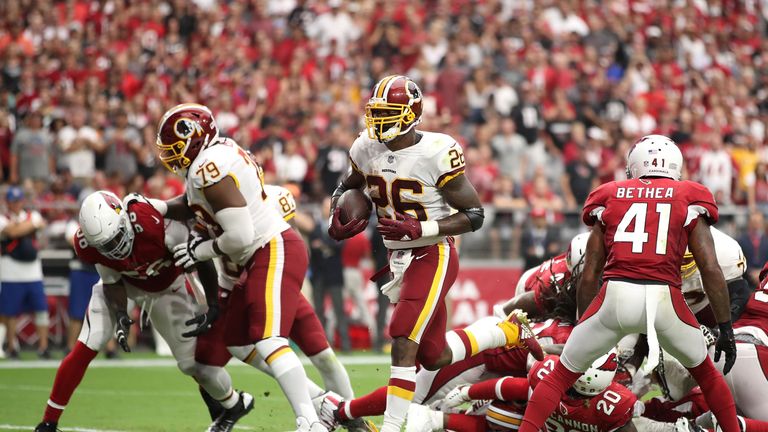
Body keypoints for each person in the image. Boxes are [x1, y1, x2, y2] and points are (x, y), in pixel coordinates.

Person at [326, 75, 543, 432]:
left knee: (402, 340)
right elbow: (346, 187)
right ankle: (502, 332)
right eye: (377, 112)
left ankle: (393, 427)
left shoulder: (436, 151)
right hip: (397, 259)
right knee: (434, 355)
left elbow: (475, 215)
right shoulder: (365, 146)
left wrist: (422, 228)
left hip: (433, 252)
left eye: (389, 112)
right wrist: (338, 213)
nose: (379, 121)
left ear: (410, 114)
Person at [517, 134, 740, 432]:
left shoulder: (609, 193)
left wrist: (584, 322)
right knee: (707, 375)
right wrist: (725, 326)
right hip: (666, 299)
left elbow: (591, 271)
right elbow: (710, 268)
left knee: (560, 376)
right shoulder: (690, 194)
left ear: (634, 165)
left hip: (617, 295)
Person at [155, 103, 326, 432]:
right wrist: (160, 206)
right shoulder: (212, 158)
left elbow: (240, 235)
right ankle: (325, 404)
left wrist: (202, 250)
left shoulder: (209, 168)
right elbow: (194, 208)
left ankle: (311, 421)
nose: (172, 159)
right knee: (236, 339)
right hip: (254, 254)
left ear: (194, 139)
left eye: (175, 149)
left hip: (268, 246)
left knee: (269, 339)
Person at [35, 191, 254, 432]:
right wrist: (120, 315)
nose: (114, 248)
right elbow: (111, 280)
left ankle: (231, 404)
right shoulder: (88, 245)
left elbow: (198, 256)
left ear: (123, 220)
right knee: (87, 345)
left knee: (192, 364)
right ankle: (48, 422)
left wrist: (212, 303)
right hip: (125, 285)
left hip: (166, 288)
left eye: (115, 238)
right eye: (105, 245)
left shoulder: (153, 222)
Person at [409, 351, 637, 432]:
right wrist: (468, 393)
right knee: (502, 414)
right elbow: (514, 386)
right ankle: (438, 421)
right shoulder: (549, 372)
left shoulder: (614, 406)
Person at [0, 186, 49, 359]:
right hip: (10, 271)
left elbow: (40, 224)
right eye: (12, 201)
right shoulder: (3, 218)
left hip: (33, 271)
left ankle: (43, 347)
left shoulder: (31, 216)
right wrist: (29, 226)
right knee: (10, 312)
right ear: (7, 202)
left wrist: (22, 227)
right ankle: (12, 347)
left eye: (18, 200)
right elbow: (11, 231)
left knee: (41, 309)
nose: (16, 204)